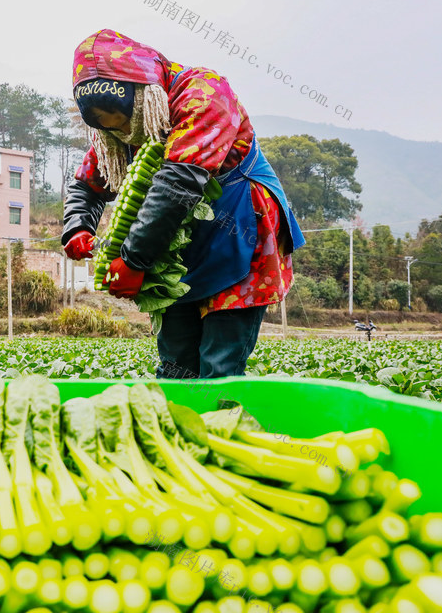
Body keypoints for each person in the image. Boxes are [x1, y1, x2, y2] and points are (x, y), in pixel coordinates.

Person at [63, 29, 306, 379]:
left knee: (219, 362)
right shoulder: (122, 131)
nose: (123, 132)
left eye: (123, 119)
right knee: (175, 364)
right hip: (171, 243)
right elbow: (88, 184)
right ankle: (176, 428)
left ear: (143, 96)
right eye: (108, 126)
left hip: (238, 232)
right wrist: (78, 226)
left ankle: (219, 427)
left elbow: (178, 182)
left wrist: (133, 259)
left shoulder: (204, 92)